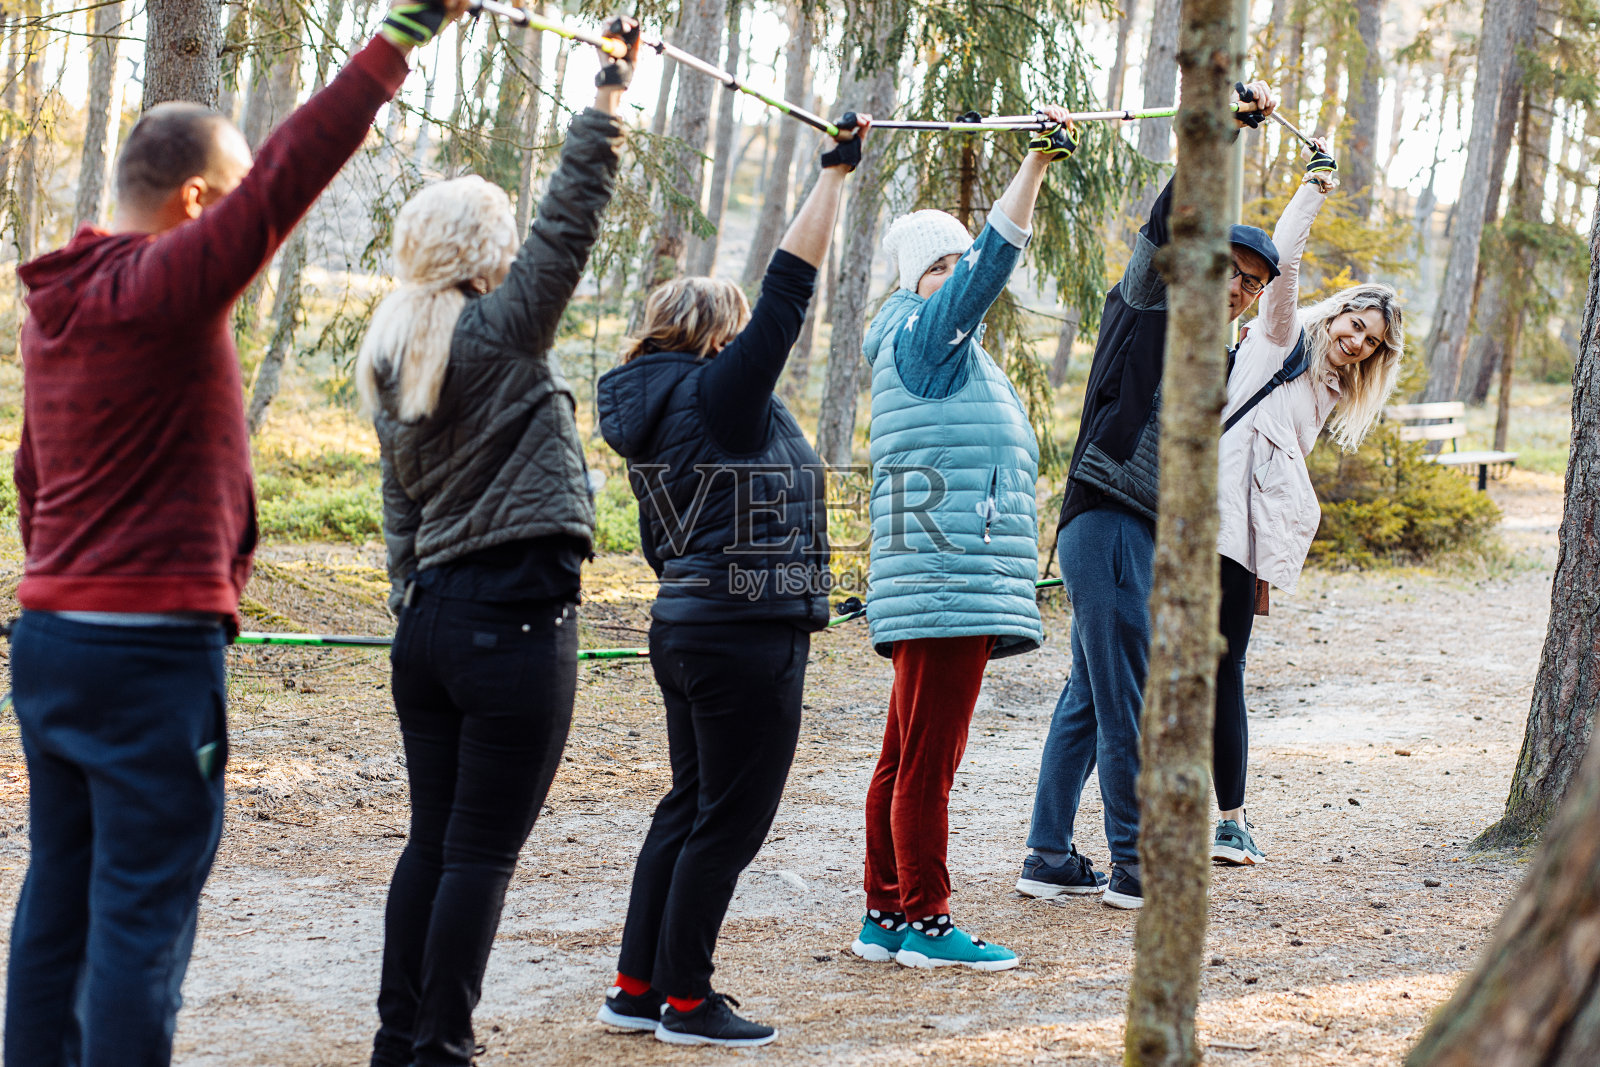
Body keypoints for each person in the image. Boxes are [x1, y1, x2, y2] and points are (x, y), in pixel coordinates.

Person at [3, 3, 464, 1063]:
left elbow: (33, 474)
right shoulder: (162, 285)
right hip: (148, 655)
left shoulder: (56, 305)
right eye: (227, 204)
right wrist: (402, 33)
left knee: (58, 896)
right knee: (140, 914)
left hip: (54, 638)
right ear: (197, 202)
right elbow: (290, 174)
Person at [352, 21, 640, 1067]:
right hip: (511, 625)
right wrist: (607, 97)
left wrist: (409, 597)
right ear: (484, 253)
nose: (520, 252)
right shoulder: (499, 329)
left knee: (434, 842)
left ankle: (401, 1041)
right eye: (505, 240)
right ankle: (443, 1048)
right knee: (477, 852)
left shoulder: (395, 349)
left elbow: (399, 505)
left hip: (430, 626)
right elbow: (572, 222)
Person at [593, 114, 870, 1047]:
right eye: (741, 332)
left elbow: (661, 539)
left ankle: (637, 987)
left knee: (690, 805)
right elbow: (790, 288)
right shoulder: (720, 395)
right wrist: (834, 174)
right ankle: (686, 999)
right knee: (728, 819)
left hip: (688, 624)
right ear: (719, 336)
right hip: (743, 632)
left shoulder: (656, 410)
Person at [1016, 82, 1282, 911]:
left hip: (1140, 533)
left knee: (1088, 695)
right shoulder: (1150, 298)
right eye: (1231, 269)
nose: (1237, 287)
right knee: (1124, 694)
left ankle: (1047, 854)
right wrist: (1224, 135)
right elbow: (1172, 217)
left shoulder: (1218, 360)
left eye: (1252, 284)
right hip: (1107, 515)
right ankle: (1134, 865)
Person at [846, 107, 1079, 973]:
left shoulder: (933, 349)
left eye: (954, 263)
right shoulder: (927, 337)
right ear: (918, 280)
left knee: (904, 756)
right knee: (926, 763)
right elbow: (991, 262)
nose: (956, 278)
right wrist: (1035, 165)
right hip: (948, 576)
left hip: (941, 574)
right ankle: (929, 920)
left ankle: (886, 913)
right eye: (940, 266)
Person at [1211, 151, 1403, 864]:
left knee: (1225, 672)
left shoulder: (1328, 390)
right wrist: (1312, 188)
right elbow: (1284, 262)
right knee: (1153, 664)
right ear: (1341, 309)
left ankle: (1231, 820)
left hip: (1244, 542)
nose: (1356, 342)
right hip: (1201, 521)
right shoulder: (1281, 334)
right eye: (1356, 324)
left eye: (1370, 343)